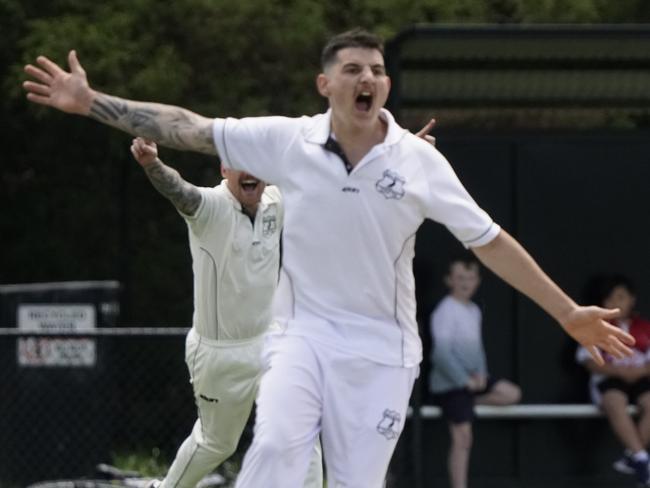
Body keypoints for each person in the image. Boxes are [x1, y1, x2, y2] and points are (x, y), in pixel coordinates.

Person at [23, 28, 634, 488]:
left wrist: (566, 312)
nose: (366, 77)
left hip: (382, 352)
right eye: (352, 69)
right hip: (301, 335)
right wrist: (93, 101)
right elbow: (190, 128)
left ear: (386, 86)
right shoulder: (288, 141)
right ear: (327, 85)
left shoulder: (418, 163)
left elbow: (490, 240)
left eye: (376, 70)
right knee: (275, 451)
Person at [128, 137, 323, 488]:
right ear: (224, 170)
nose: (251, 172)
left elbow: (331, 184)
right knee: (217, 444)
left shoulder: (275, 202)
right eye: (241, 163)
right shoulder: (211, 207)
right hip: (220, 355)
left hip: (270, 344)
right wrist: (153, 165)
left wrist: (392, 157)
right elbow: (180, 191)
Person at [429, 254, 521, 488]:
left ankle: (470, 404)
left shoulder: (473, 311)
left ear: (478, 280)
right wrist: (462, 380)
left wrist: (481, 375)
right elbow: (440, 353)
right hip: (450, 385)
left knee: (511, 394)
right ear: (449, 280)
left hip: (473, 383)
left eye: (470, 277)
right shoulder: (444, 311)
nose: (465, 283)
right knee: (463, 438)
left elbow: (477, 349)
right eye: (460, 277)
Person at [576, 274, 650, 486]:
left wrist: (637, 372)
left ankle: (633, 456)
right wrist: (619, 372)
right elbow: (588, 361)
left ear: (632, 299)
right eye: (610, 299)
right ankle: (642, 459)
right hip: (609, 381)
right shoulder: (597, 326)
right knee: (614, 400)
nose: (616, 304)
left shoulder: (645, 327)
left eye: (621, 297)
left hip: (641, 380)